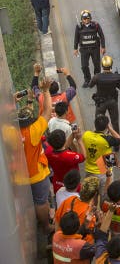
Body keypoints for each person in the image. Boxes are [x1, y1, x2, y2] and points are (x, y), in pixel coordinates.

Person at [17, 79, 52, 232]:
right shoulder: (34, 130)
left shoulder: (10, 132)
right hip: (36, 174)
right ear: (31, 121)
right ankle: (46, 226)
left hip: (18, 176)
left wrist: (12, 101)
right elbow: (47, 111)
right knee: (41, 202)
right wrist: (46, 91)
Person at [88, 55, 120, 135]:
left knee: (98, 122)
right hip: (112, 102)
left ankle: (99, 139)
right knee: (115, 123)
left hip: (100, 103)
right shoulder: (116, 77)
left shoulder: (97, 77)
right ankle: (116, 144)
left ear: (102, 66)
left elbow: (90, 85)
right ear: (111, 65)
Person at [44, 128, 86, 193]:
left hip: (57, 185)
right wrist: (79, 140)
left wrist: (72, 135)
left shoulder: (48, 152)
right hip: (72, 187)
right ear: (64, 140)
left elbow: (63, 147)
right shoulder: (70, 156)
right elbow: (83, 157)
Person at [73, 10, 106, 87]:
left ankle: (96, 79)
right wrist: (75, 48)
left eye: (88, 18)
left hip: (95, 49)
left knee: (97, 65)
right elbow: (76, 38)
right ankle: (87, 80)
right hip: (84, 50)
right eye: (84, 19)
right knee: (84, 66)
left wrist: (103, 47)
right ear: (82, 19)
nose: (86, 20)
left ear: (90, 18)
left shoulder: (96, 25)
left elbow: (102, 36)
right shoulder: (78, 27)